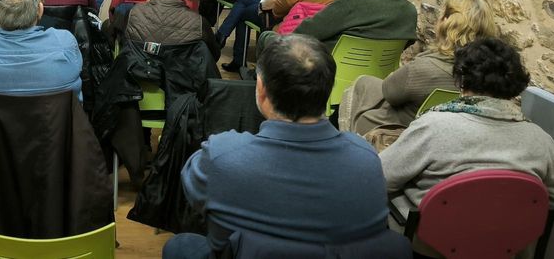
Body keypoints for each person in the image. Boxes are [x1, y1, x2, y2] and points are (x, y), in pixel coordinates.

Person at [163, 36, 388, 258]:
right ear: (328, 91)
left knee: (180, 245)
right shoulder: (367, 159)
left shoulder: (221, 156)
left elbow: (193, 192)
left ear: (261, 89)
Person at [380, 38, 554, 223]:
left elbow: (380, 177)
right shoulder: (540, 139)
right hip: (504, 246)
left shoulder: (433, 127)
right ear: (514, 85)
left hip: (432, 242)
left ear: (462, 79)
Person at [342, 0, 500, 135]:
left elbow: (390, 92)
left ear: (446, 22)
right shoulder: (490, 74)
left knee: (360, 85)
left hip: (402, 131)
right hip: (446, 132)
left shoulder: (425, 68)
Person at [125, 0, 219, 61]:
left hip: (143, 73)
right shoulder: (198, 22)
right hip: (184, 74)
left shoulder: (135, 14)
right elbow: (214, 55)